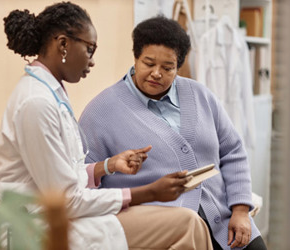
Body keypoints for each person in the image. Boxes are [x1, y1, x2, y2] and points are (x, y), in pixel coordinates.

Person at [0, 3, 212, 250]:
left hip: (56, 214)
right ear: (63, 44)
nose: (92, 61)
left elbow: (62, 177)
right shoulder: (35, 103)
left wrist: (107, 166)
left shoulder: (50, 94)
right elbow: (66, 199)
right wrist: (150, 193)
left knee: (188, 223)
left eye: (168, 68)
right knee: (187, 224)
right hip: (32, 226)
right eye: (89, 49)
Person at [79, 16, 267, 250]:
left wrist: (240, 210)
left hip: (224, 220)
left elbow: (233, 151)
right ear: (135, 58)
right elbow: (81, 180)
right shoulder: (101, 111)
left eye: (168, 68)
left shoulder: (200, 95)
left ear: (179, 66)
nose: (157, 73)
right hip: (167, 232)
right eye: (148, 63)